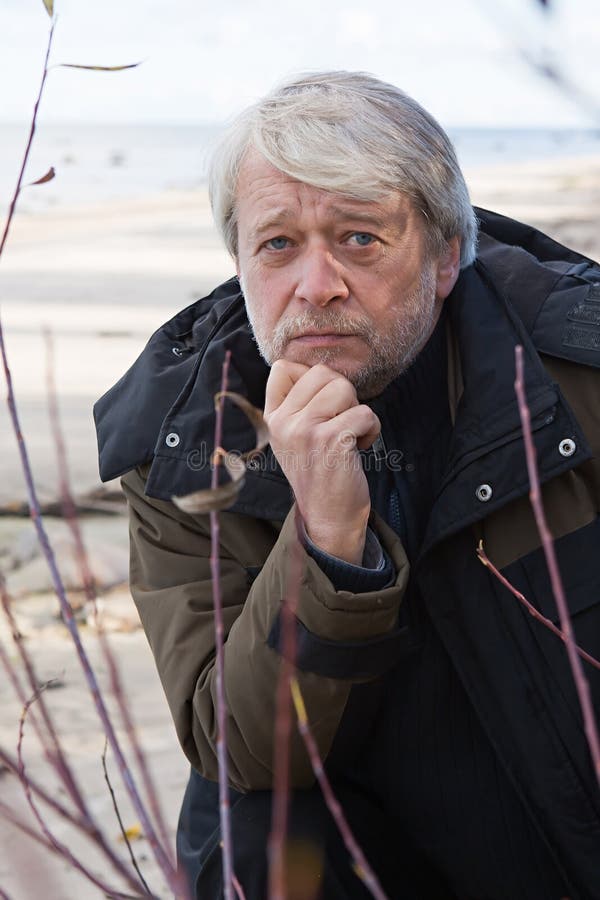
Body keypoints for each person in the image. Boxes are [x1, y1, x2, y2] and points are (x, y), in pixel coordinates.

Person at [94, 72, 600, 899]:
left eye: (360, 238)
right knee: (250, 826)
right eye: (278, 244)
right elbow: (246, 752)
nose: (316, 283)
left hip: (566, 838)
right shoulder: (187, 449)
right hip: (348, 859)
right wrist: (329, 542)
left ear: (444, 258)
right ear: (240, 262)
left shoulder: (576, 378)